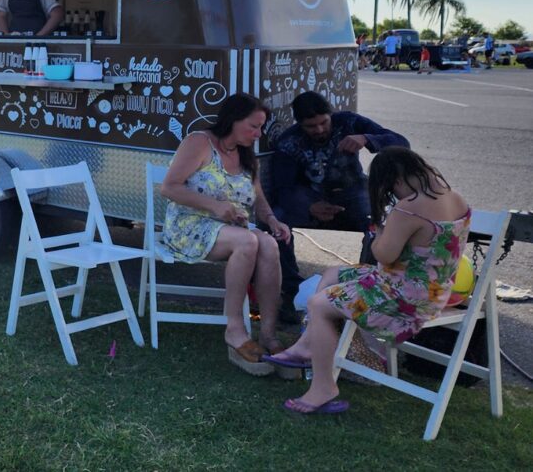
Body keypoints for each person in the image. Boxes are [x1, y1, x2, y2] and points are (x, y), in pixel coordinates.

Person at [265, 147, 471, 415]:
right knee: (333, 273)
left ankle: (323, 386)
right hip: (431, 291)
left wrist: (381, 227)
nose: (394, 196)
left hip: (404, 301)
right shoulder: (454, 198)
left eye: (390, 190)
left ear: (394, 180)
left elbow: (383, 254)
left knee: (318, 305)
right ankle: (307, 345)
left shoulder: (409, 208)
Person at [159, 93, 291, 375]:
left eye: (260, 128)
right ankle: (234, 328)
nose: (257, 134)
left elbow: (259, 198)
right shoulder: (200, 142)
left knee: (268, 244)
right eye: (252, 127)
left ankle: (268, 334)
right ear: (232, 120)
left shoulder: (245, 153)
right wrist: (216, 206)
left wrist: (272, 220)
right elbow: (169, 187)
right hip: (189, 225)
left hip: (229, 229)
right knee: (248, 241)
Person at [270, 91, 410, 325]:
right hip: (310, 197)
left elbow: (401, 142)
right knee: (276, 220)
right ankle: (291, 291)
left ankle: (367, 290)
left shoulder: (348, 121)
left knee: (375, 222)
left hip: (353, 190)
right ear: (299, 124)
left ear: (331, 114)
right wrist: (309, 207)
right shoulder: (288, 142)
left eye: (324, 122)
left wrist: (366, 138)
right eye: (310, 126)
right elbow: (283, 189)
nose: (319, 130)